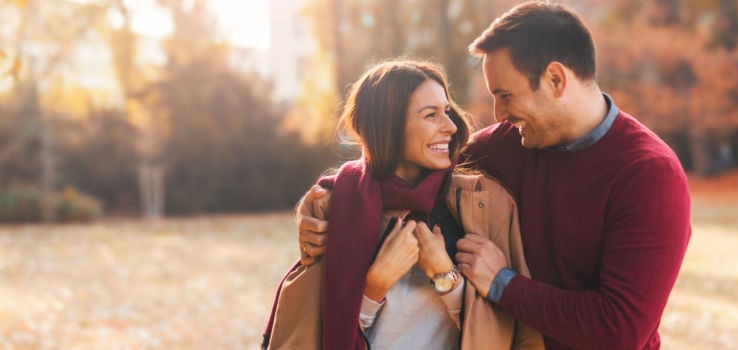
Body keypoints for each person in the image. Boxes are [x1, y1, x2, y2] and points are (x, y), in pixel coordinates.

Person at [294, 2, 691, 349]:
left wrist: (502, 282)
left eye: (505, 95)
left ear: (556, 79)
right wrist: (326, 199)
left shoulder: (649, 175)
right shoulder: (506, 145)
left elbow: (618, 331)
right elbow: (406, 165)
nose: (498, 114)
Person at [262, 60, 543, 350]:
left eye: (446, 111)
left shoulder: (485, 203)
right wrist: (374, 287)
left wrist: (445, 276)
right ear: (389, 127)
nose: (450, 126)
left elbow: (515, 331)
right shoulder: (337, 207)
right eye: (430, 115)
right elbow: (320, 332)